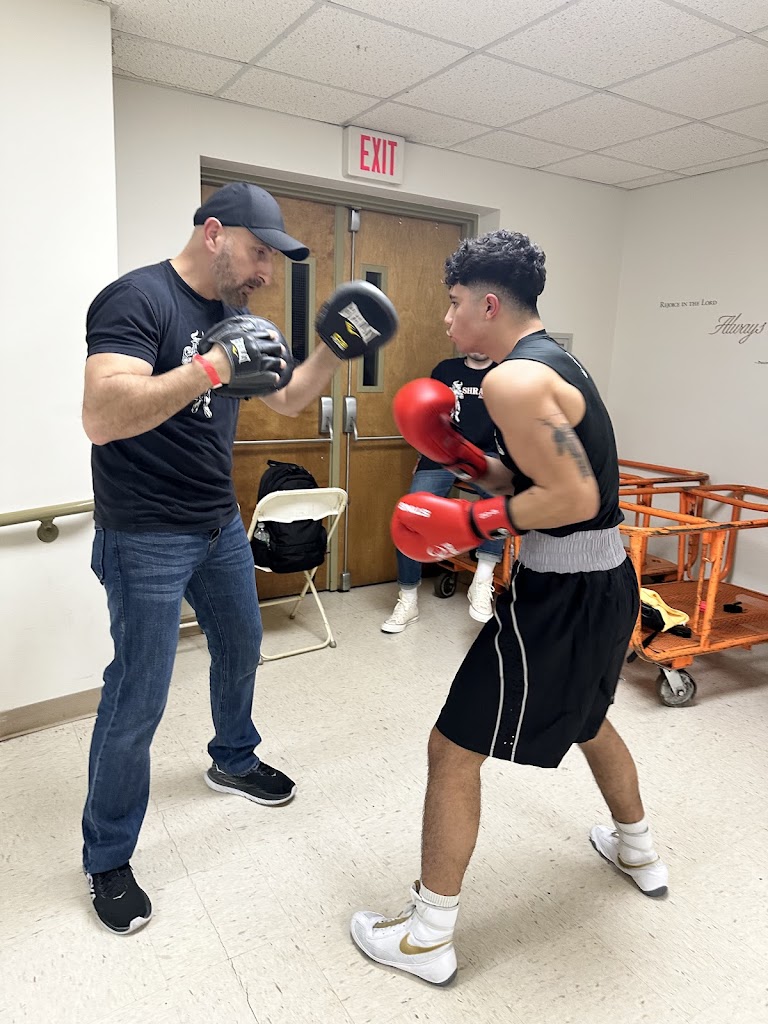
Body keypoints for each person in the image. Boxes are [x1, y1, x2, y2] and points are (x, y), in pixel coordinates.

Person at [350, 229, 667, 986]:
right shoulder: (554, 362)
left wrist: (470, 523)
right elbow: (547, 478)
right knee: (588, 719)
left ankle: (427, 937)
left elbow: (573, 496)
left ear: (489, 304)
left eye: (455, 303)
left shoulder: (512, 381)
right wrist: (466, 461)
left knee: (452, 747)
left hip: (559, 592)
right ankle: (639, 850)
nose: (448, 320)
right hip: (605, 578)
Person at [81, 182, 396, 934]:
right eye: (258, 253)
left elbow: (287, 399)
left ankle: (233, 756)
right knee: (139, 693)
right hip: (144, 532)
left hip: (217, 522)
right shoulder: (137, 300)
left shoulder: (238, 318)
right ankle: (107, 858)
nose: (265, 271)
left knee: (242, 644)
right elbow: (102, 415)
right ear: (215, 233)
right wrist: (211, 369)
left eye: (273, 259)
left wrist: (335, 349)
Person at [381, 351, 504, 632]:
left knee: (500, 502)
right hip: (441, 452)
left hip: (483, 455)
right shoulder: (445, 370)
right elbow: (428, 417)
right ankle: (408, 600)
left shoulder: (502, 373)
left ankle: (482, 580)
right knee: (410, 516)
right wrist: (421, 454)